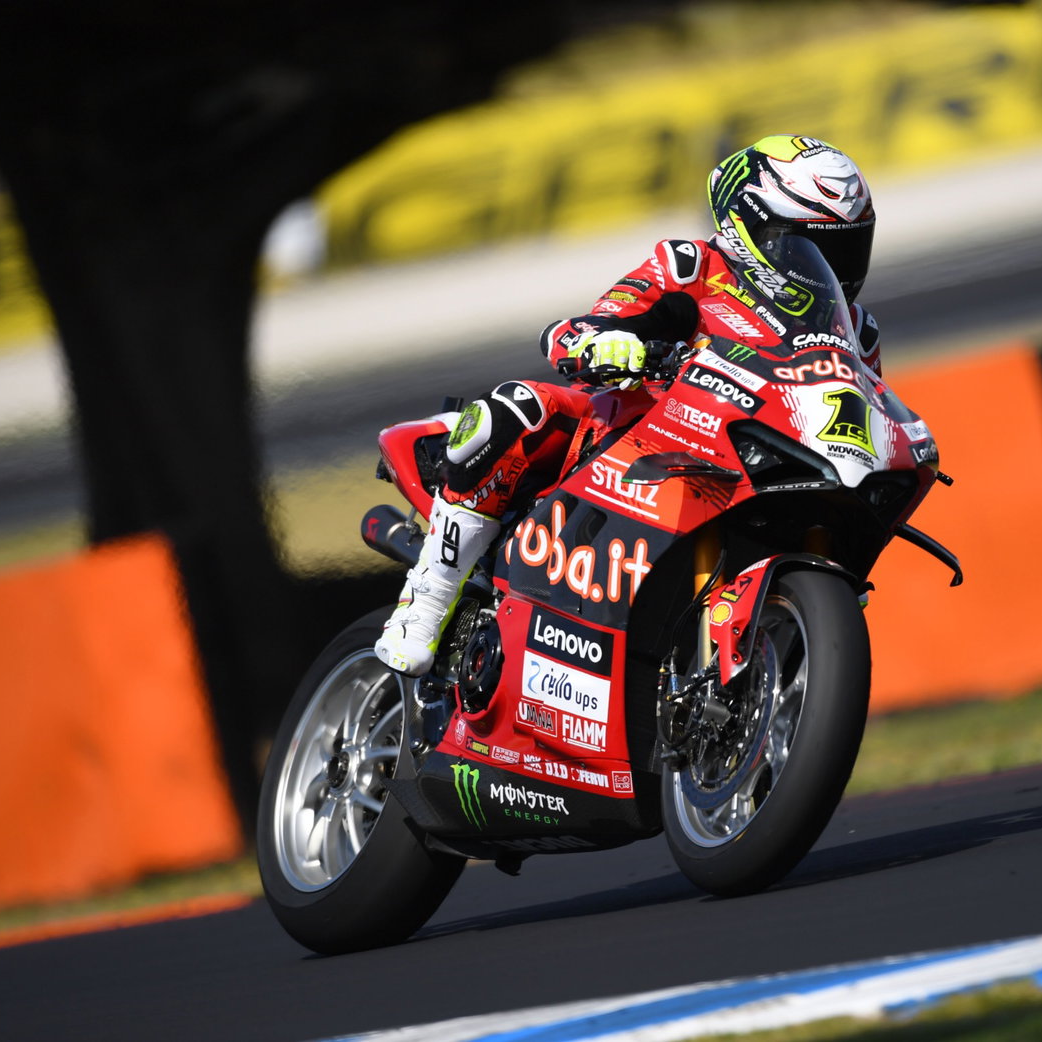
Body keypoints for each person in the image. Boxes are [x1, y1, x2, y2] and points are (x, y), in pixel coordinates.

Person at [375, 134, 881, 676]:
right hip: (629, 434)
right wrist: (606, 341)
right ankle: (426, 601)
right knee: (513, 409)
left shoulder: (856, 330)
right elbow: (588, 325)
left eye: (849, 246)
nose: (835, 266)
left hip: (747, 465)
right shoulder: (691, 266)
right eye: (811, 245)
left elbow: (858, 405)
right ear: (749, 228)